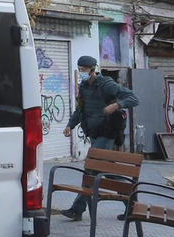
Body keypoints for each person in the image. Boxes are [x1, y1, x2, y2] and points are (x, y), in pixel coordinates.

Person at [58, 54, 139, 221]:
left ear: (93, 70)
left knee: (91, 170)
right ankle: (132, 206)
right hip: (94, 135)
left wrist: (116, 105)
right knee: (108, 172)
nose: (82, 72)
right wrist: (70, 125)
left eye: (85, 70)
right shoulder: (83, 87)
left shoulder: (106, 84)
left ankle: (77, 209)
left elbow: (133, 98)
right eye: (79, 70)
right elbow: (80, 110)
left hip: (106, 134)